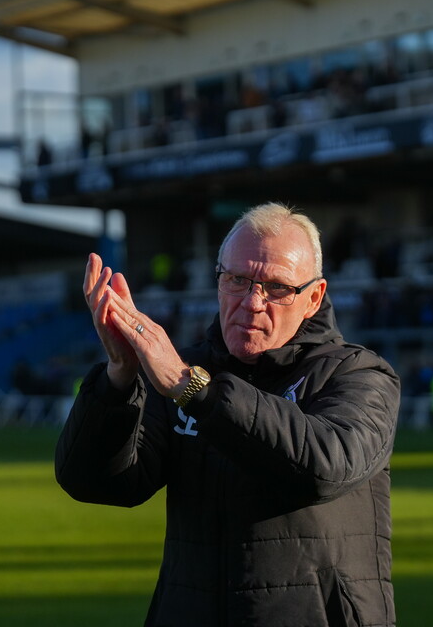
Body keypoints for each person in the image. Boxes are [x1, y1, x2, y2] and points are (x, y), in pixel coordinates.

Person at [55, 203, 401, 626]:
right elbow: (97, 482)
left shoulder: (360, 373)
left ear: (314, 297)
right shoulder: (182, 372)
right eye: (237, 280)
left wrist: (194, 389)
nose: (253, 302)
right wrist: (119, 379)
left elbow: (324, 465)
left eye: (276, 287)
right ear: (219, 281)